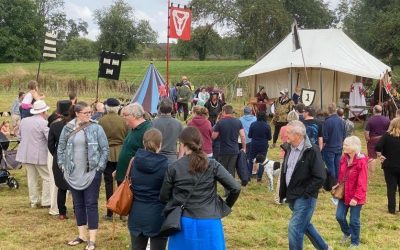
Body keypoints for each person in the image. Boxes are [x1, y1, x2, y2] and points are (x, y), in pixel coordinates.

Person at [160, 126, 241, 250]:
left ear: (182, 143)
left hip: (182, 220)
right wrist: (224, 207)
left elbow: (164, 196)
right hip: (209, 220)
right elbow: (235, 187)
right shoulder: (212, 164)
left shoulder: (174, 167)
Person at [57, 101, 109, 250]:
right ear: (77, 113)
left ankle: (92, 239)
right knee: (78, 205)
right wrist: (62, 166)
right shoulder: (67, 128)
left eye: (90, 112)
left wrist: (99, 168)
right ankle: (81, 235)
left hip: (91, 173)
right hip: (73, 173)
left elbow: (104, 149)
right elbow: (60, 148)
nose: (89, 115)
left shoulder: (96, 128)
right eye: (86, 113)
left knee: (91, 204)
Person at [279, 120, 331, 250]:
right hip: (292, 195)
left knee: (295, 228)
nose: (286, 135)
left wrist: (306, 193)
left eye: (289, 133)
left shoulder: (312, 150)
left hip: (305, 197)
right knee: (304, 224)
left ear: (298, 135)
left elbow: (320, 176)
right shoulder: (288, 148)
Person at [128, 128, 169, 250]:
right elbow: (167, 192)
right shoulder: (166, 165)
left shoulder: (134, 161)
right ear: (160, 144)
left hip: (136, 212)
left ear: (143, 142)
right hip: (157, 214)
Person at [16, 100, 51, 209]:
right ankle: (46, 201)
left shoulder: (24, 121)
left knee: (31, 178)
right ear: (43, 112)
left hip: (26, 154)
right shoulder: (44, 123)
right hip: (39, 155)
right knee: (48, 177)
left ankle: (34, 201)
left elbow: (19, 136)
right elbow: (49, 138)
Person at [335, 136, 368, 248]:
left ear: (354, 147)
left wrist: (356, 198)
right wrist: (338, 184)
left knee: (354, 220)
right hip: (344, 194)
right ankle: (347, 233)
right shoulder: (344, 158)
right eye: (344, 144)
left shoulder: (361, 161)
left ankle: (355, 242)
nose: (343, 146)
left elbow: (362, 182)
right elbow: (341, 174)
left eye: (346, 145)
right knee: (339, 216)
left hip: (356, 196)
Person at [98, 98, 128, 220]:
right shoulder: (123, 121)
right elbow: (127, 137)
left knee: (108, 183)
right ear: (117, 108)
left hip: (107, 153)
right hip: (121, 153)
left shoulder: (101, 121)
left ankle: (110, 212)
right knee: (122, 183)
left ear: (106, 107)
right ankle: (122, 212)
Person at [212, 105, 246, 195]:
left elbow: (214, 136)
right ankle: (233, 189)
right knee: (231, 170)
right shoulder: (238, 122)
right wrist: (244, 147)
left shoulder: (220, 123)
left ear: (223, 111)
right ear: (232, 112)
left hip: (223, 150)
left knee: (223, 171)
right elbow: (242, 135)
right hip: (235, 150)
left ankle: (227, 191)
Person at [48, 100, 73, 220]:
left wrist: (56, 154)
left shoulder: (54, 125)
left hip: (59, 156)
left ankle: (62, 213)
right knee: (76, 186)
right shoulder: (76, 124)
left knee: (61, 187)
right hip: (74, 156)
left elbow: (50, 144)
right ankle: (78, 211)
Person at [116, 103, 152, 185]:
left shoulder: (147, 130)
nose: (123, 117)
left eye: (125, 115)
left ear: (134, 115)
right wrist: (119, 169)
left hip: (133, 178)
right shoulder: (133, 129)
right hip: (124, 175)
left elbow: (148, 156)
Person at [375, 118, 400, 214]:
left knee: (391, 188)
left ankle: (392, 209)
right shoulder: (387, 135)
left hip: (389, 165)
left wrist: (380, 155)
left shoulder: (387, 136)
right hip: (393, 165)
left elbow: (378, 147)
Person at [274, 111, 299, 204]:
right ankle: (290, 197)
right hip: (294, 154)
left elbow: (282, 139)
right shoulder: (298, 129)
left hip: (284, 153)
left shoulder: (283, 128)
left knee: (282, 177)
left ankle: (278, 197)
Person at [153, 98, 184, 164]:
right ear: (172, 108)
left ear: (160, 108)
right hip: (172, 159)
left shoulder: (153, 123)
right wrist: (180, 158)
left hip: (156, 158)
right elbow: (182, 144)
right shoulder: (178, 124)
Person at [322, 103, 346, 181]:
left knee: (331, 166)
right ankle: (337, 181)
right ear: (335, 110)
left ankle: (332, 182)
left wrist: (322, 147)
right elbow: (344, 135)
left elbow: (325, 137)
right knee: (337, 165)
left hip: (329, 147)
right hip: (338, 146)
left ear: (328, 110)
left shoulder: (327, 121)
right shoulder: (342, 121)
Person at [364, 105, 390, 174]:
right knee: (384, 155)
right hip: (384, 139)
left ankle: (372, 172)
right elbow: (389, 131)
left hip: (373, 139)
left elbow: (366, 132)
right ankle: (386, 171)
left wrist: (367, 139)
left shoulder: (370, 120)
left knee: (372, 156)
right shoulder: (387, 119)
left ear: (374, 110)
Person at [248, 111, 272, 181]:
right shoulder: (267, 126)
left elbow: (249, 135)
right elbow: (269, 138)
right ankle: (259, 177)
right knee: (262, 160)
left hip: (254, 144)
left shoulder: (253, 124)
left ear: (257, 117)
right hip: (263, 145)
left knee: (251, 160)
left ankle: (249, 175)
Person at [239, 106, 257, 174]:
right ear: (251, 112)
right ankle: (253, 170)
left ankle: (245, 169)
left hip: (244, 140)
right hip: (253, 139)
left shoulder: (240, 119)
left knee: (245, 156)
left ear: (244, 112)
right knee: (252, 156)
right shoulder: (255, 118)